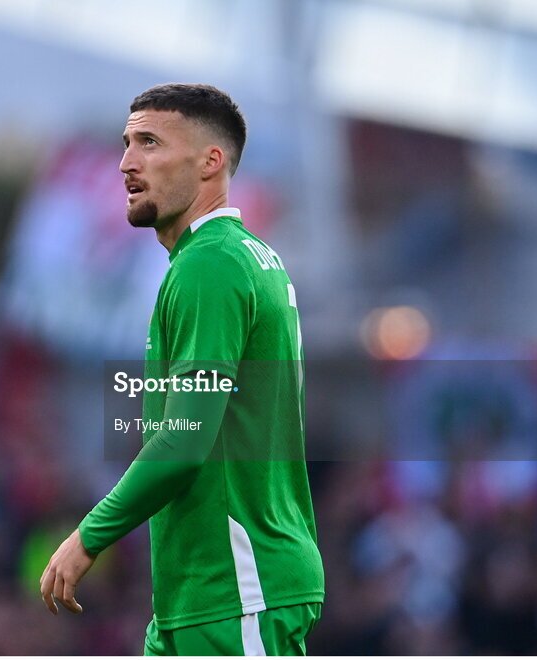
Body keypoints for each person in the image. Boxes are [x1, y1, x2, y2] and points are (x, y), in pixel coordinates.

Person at [40, 83, 324, 655]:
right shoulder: (232, 256)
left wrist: (89, 537)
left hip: (237, 586)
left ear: (209, 162)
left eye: (149, 142)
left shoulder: (211, 266)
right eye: (126, 144)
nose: (126, 163)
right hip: (201, 593)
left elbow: (185, 439)